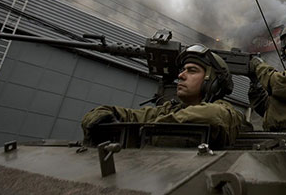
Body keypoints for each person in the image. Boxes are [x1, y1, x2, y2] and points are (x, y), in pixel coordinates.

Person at [81, 44, 244, 148]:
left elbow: (212, 115)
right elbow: (130, 115)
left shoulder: (228, 113)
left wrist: (146, 129)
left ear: (212, 82)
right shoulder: (169, 110)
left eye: (192, 71)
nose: (181, 75)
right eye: (182, 70)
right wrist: (100, 117)